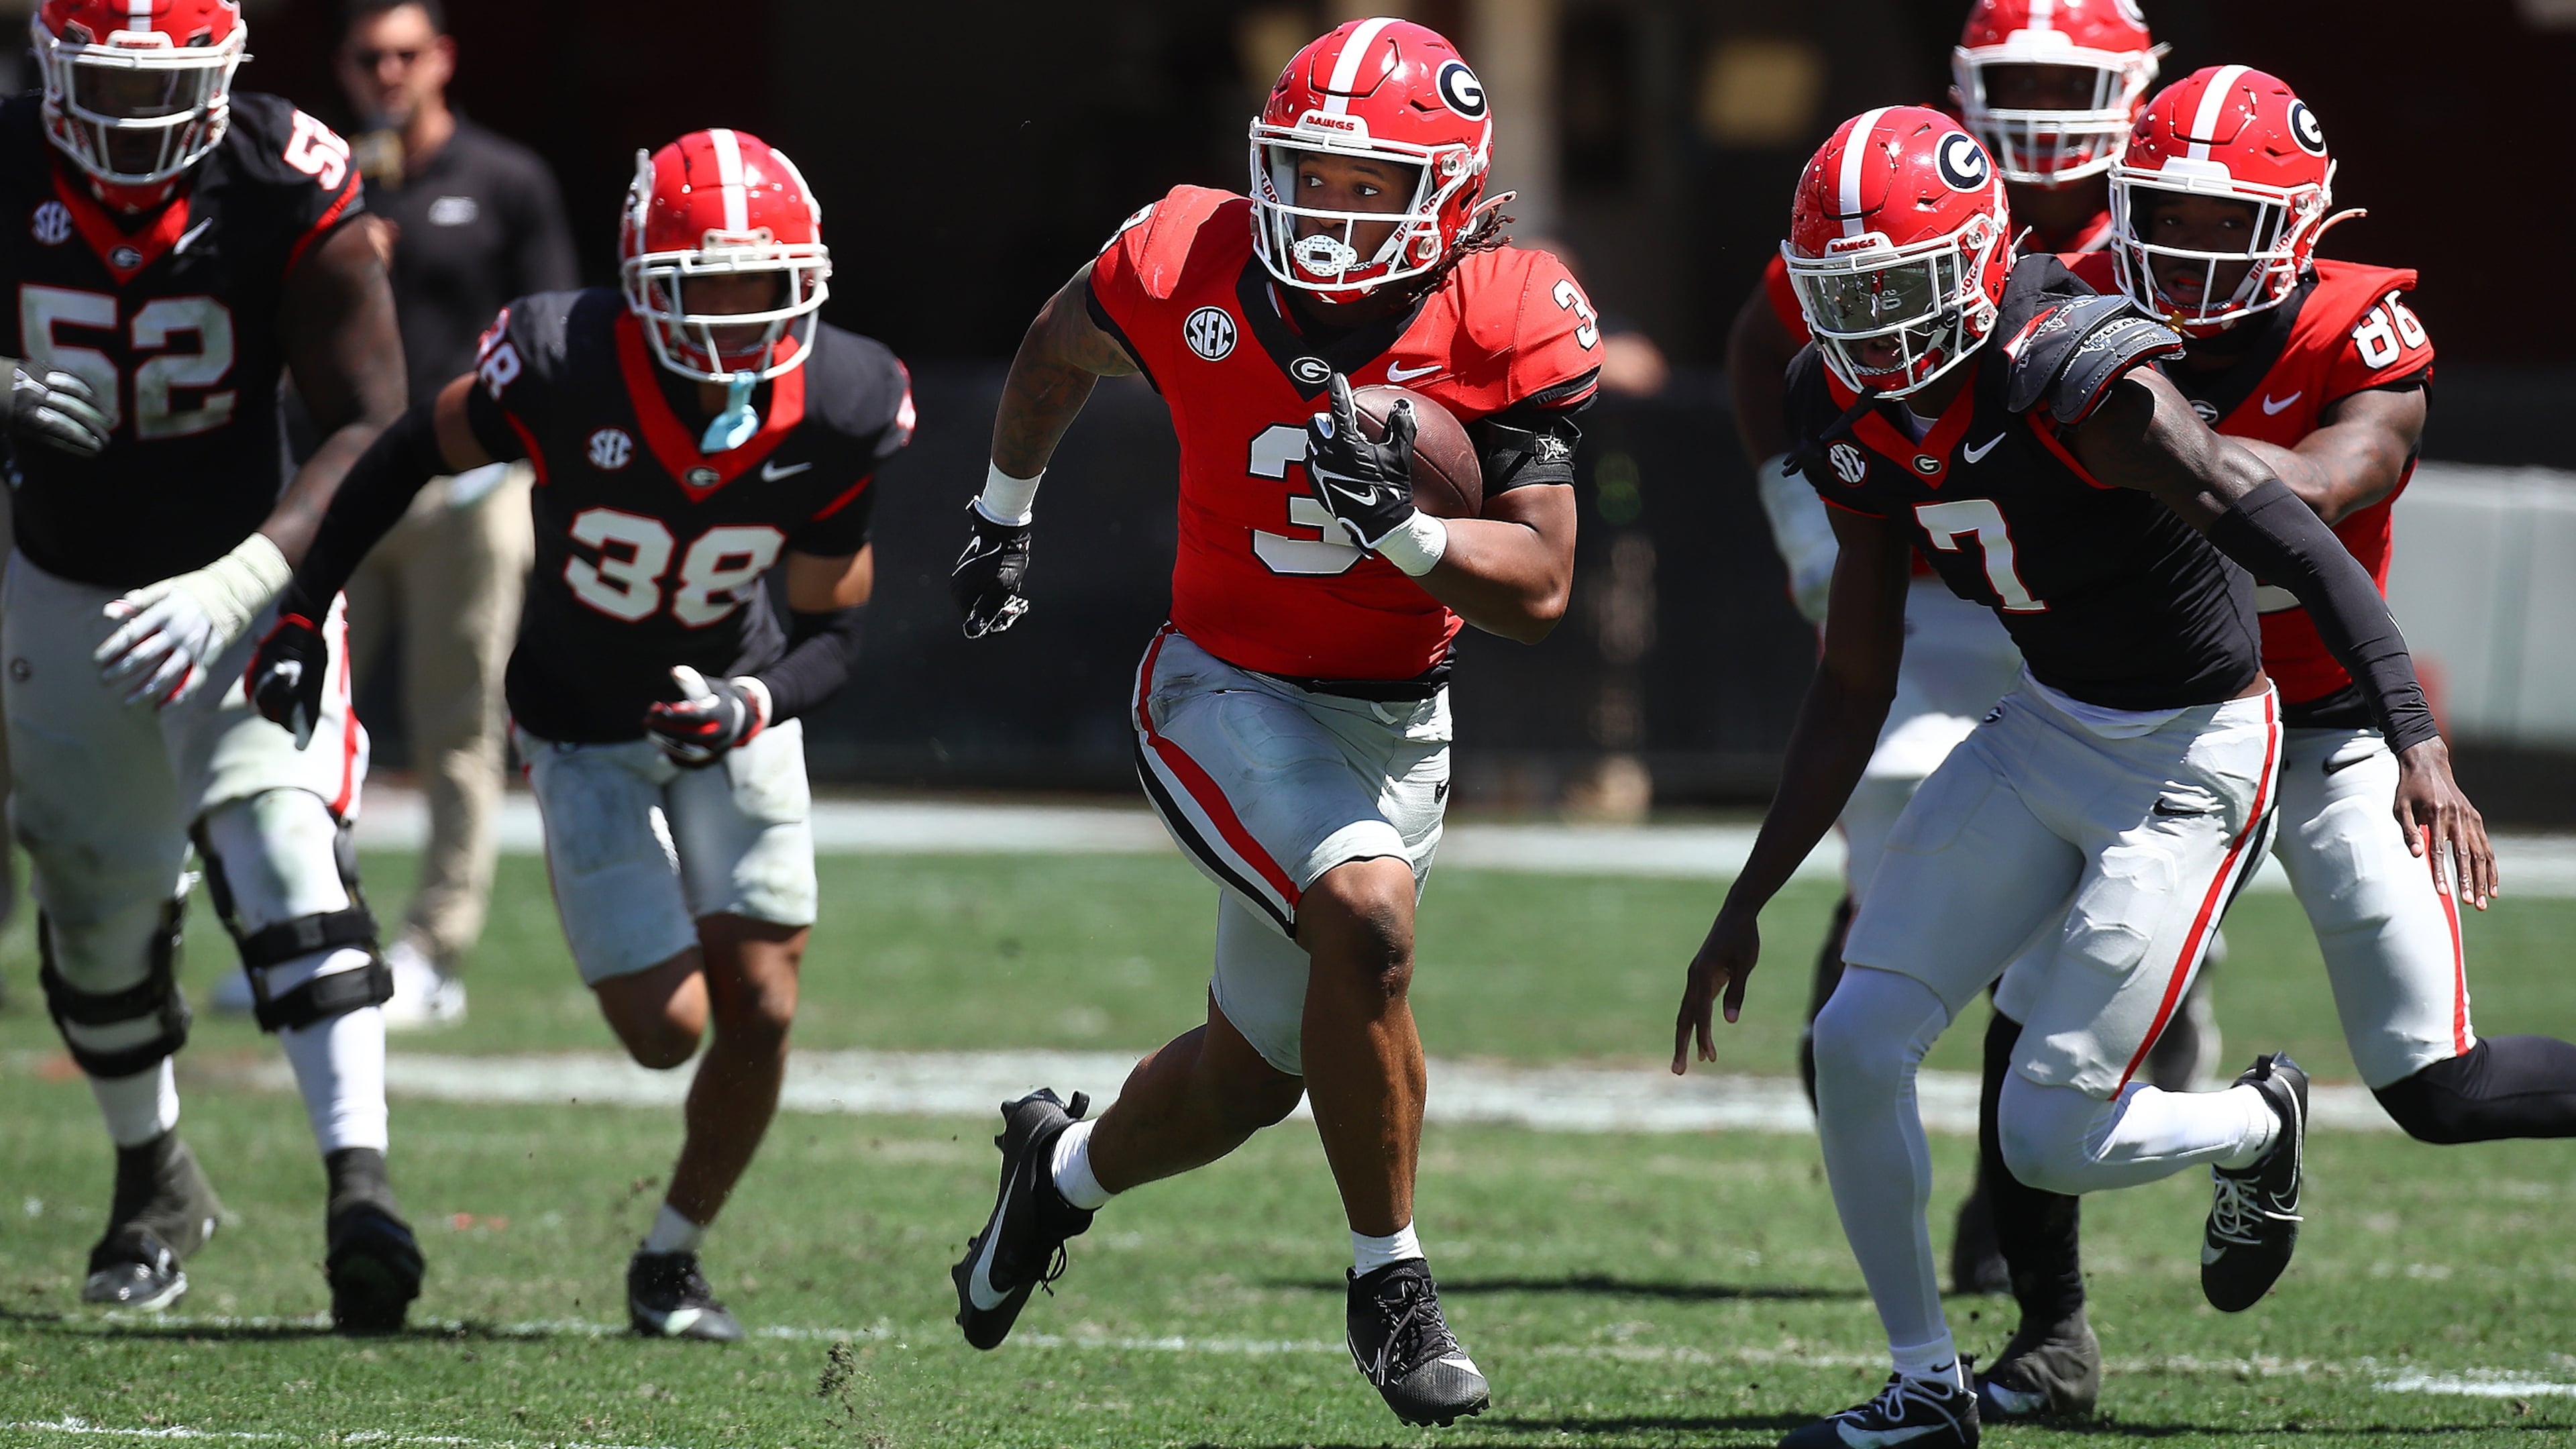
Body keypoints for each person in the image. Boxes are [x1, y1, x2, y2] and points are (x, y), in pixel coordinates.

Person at [1671, 107, 2493, 1449]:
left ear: (1979, 261)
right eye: (1846, 297)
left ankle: (2256, 1121)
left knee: (2048, 1134)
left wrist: (2416, 738)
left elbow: (2293, 538)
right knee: (1854, 1038)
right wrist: (1746, 900)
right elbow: (1853, 677)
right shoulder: (1845, 402)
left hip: (2191, 752)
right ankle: (1924, 1385)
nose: (1872, 327)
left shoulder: (2077, 377)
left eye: (1899, 289)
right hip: (2049, 719)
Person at [942, 17, 1595, 1427]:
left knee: (1253, 1076)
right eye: (1308, 174)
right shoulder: (1187, 252)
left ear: (1458, 195)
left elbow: (1541, 583)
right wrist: (1002, 515)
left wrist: (1411, 540)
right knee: (1366, 921)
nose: (1329, 212)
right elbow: (1060, 345)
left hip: (1394, 722)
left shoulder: (1507, 305)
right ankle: (1391, 1285)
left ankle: (1051, 1179)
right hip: (1217, 689)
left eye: (1373, 187)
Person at [1970, 66, 2576, 1421]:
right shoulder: (2065, 295)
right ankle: (2049, 1338)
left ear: (2303, 232)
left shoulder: (2360, 338)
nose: (2182, 256)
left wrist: (2129, 430)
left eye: (2221, 222)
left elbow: (2309, 490)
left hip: (2325, 727)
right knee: (2023, 1020)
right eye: (2162, 215)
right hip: (2158, 729)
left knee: (2442, 1085)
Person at [248, 129, 906, 1341]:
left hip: (733, 700)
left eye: (761, 285)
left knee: (761, 1002)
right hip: (579, 719)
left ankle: (671, 1258)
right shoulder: (562, 360)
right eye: (702, 285)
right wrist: (305, 600)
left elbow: (835, 634)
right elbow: (402, 452)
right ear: (643, 283)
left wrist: (753, 705)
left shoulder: (850, 400)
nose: (734, 316)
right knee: (668, 1035)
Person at [1724, 0, 2205, 1300]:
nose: (2046, 113)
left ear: (2138, 86)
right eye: (2020, 80)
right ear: (1965, 86)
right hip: (1941, 582)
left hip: (2111, 608)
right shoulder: (1895, 187)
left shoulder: (2177, 195)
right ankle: (1884, 926)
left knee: (2089, 884)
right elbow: (1768, 339)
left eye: (2074, 80)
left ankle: (2024, 1202)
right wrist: (1807, 514)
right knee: (1905, 803)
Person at [3, 0, 419, 1328]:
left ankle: (364, 1193)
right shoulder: (9, 154)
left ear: (226, 73)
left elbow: (373, 419)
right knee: (96, 909)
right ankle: (151, 1179)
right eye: (108, 88)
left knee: (285, 854)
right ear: (55, 69)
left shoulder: (282, 178)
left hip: (244, 565)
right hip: (60, 576)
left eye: (166, 86)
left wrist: (252, 578)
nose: (134, 121)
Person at [214, 0, 577, 1028]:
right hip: (336, 484)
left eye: (406, 54)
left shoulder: (506, 179)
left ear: (442, 61)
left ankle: (434, 950)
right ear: (344, 64)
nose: (388, 72)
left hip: (465, 493)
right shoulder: (309, 178)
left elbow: (552, 331)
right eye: (370, 56)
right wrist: (330, 262)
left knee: (460, 727)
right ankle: (303, 938)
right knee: (292, 713)